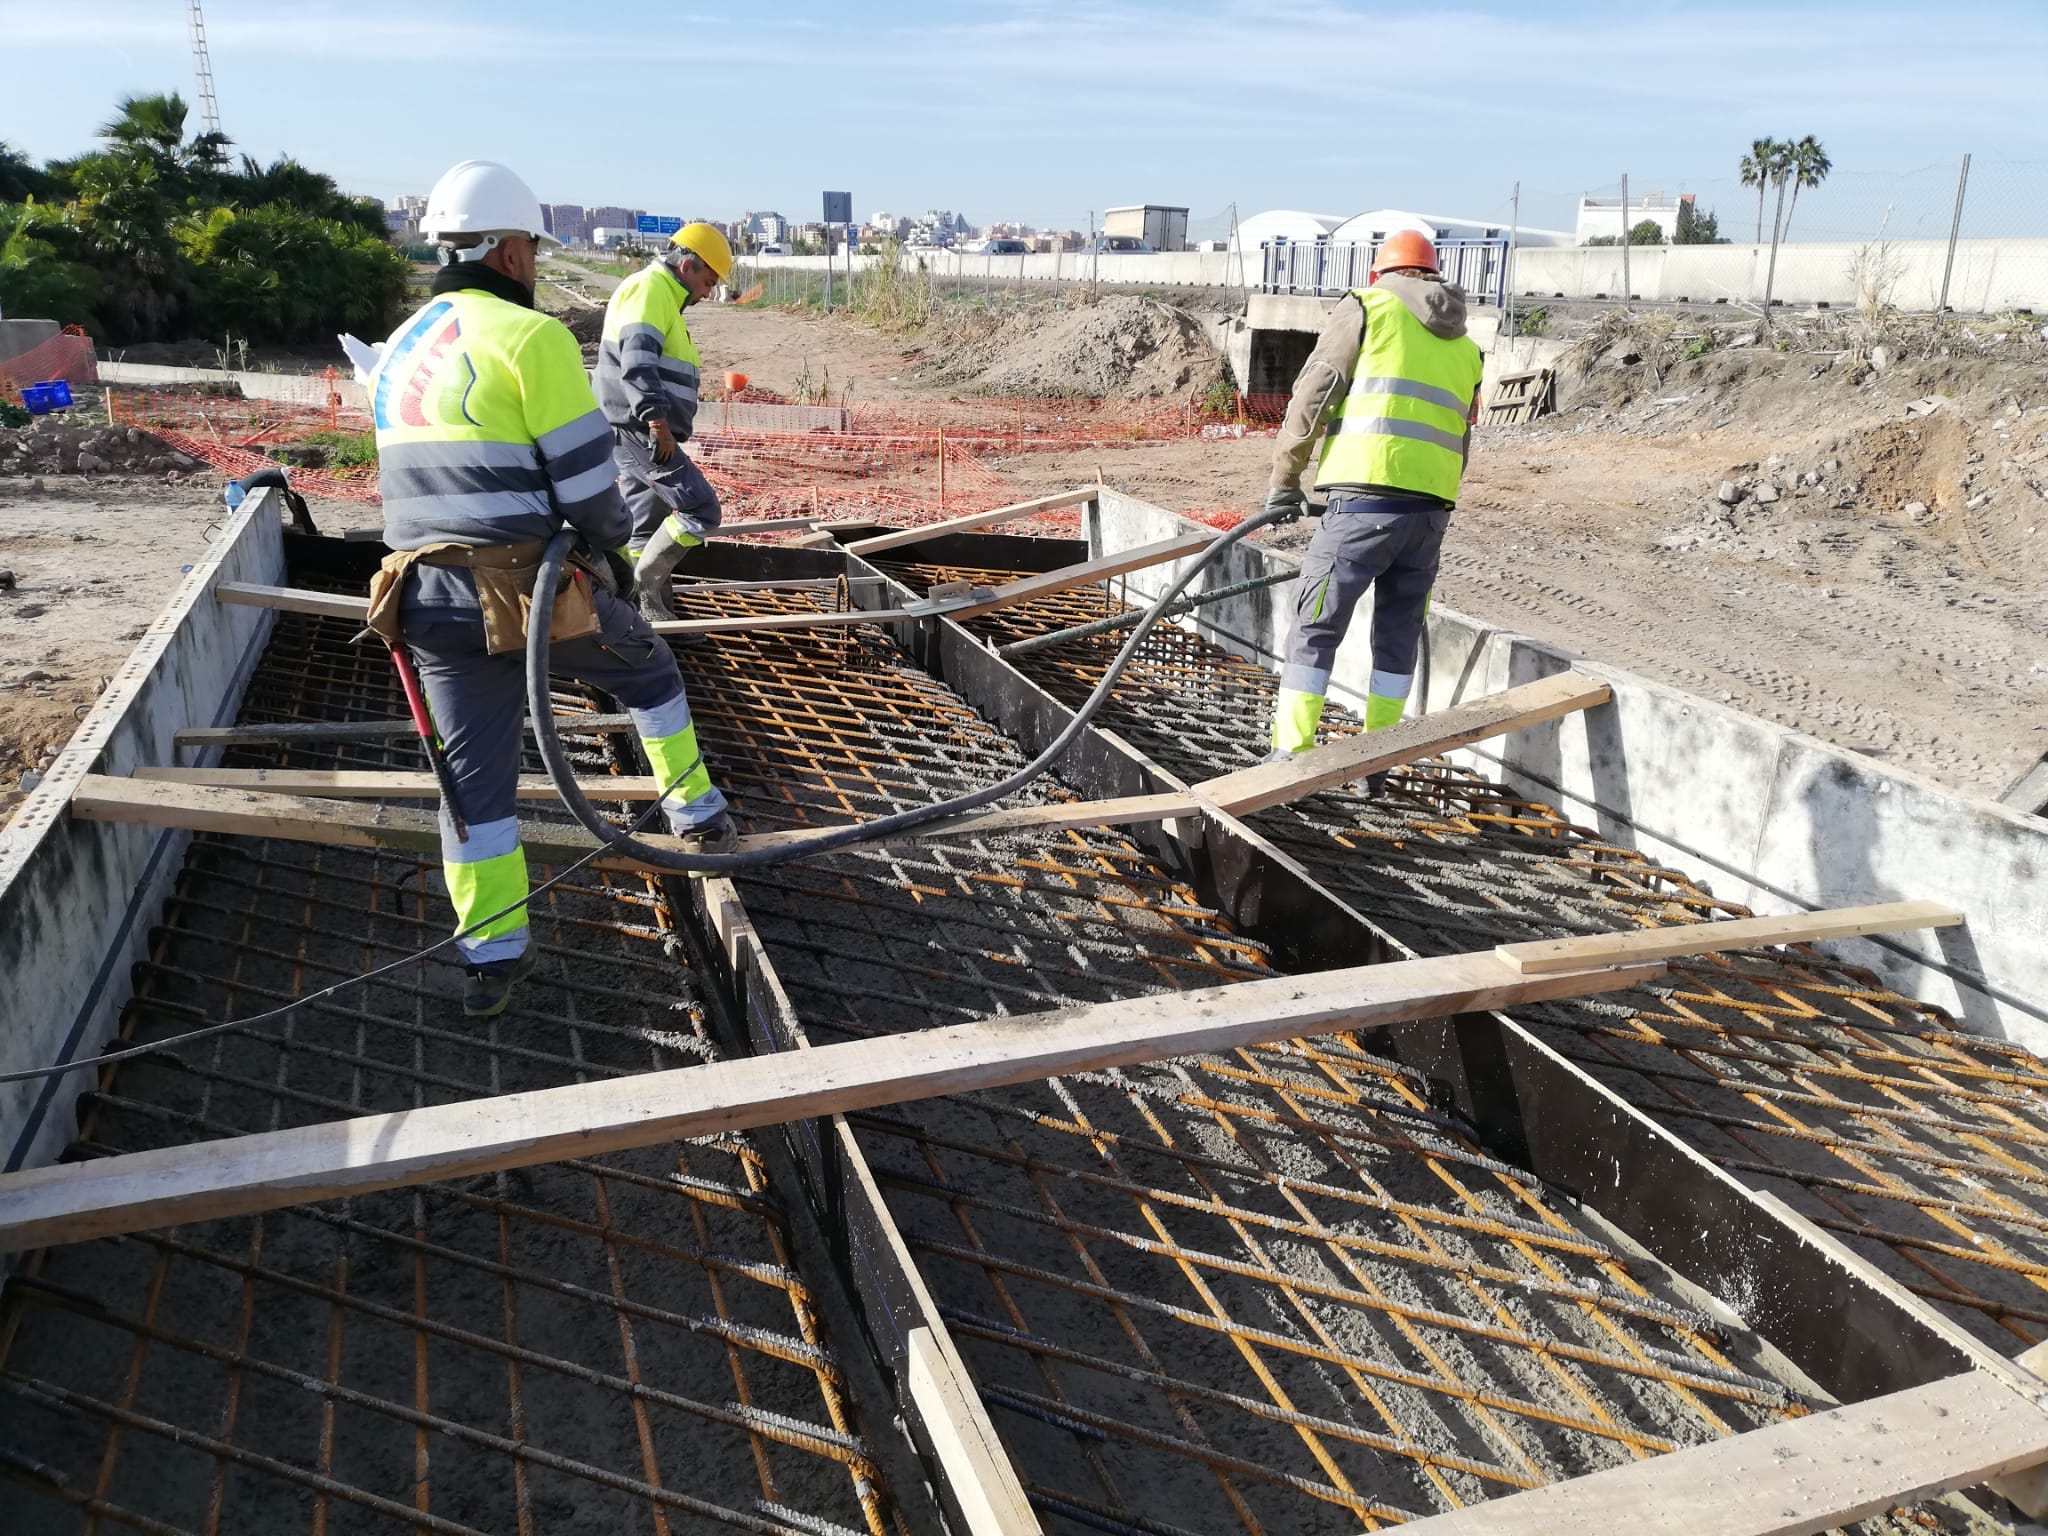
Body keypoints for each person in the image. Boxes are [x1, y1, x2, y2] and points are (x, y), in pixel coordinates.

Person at [364, 159, 735, 1018]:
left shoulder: (401, 346)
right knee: (649, 671)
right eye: (531, 248)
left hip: (421, 598)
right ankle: (696, 814)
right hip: (522, 592)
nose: (534, 263)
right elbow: (590, 493)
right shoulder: (529, 338)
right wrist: (611, 558)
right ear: (508, 252)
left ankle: (491, 958)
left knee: (472, 784)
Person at [1262, 230, 1486, 774]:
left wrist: (1285, 479)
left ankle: (1291, 756)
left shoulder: (1367, 307)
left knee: (1315, 627)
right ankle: (1376, 763)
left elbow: (1314, 393)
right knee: (1397, 638)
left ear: (1378, 275)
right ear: (1433, 275)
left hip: (1362, 503)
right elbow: (1461, 437)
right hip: (1430, 514)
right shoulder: (1468, 347)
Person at [593, 222, 735, 620]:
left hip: (638, 427)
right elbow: (638, 363)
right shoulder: (652, 289)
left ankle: (647, 613)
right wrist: (657, 422)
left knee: (643, 526)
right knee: (701, 509)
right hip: (643, 430)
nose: (706, 294)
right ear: (687, 266)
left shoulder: (660, 294)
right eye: (707, 283)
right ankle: (644, 587)